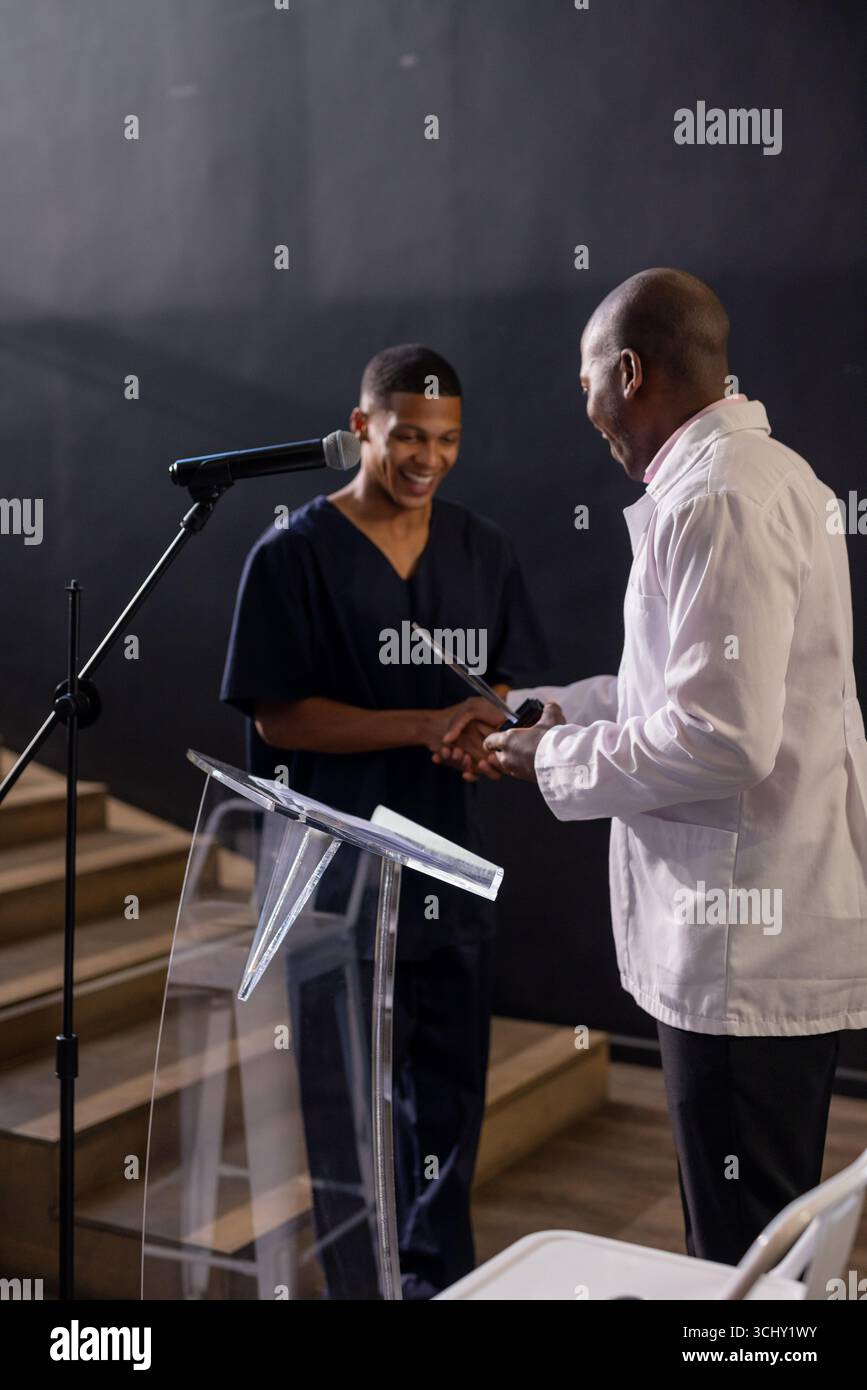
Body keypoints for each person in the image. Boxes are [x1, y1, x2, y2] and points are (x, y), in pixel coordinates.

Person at [442, 268, 867, 1265]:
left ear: (629, 372)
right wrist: (548, 713)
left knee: (734, 1256)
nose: (588, 410)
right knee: (757, 1242)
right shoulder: (771, 477)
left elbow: (724, 739)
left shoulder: (713, 498)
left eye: (589, 381)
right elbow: (691, 694)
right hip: (761, 928)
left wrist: (556, 757)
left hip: (740, 949)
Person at [221, 343, 548, 1297]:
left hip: (449, 864)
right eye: (408, 434)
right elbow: (279, 714)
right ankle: (360, 1287)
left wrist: (486, 724)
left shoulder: (484, 548)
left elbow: (504, 684)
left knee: (445, 1101)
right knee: (346, 1106)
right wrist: (423, 725)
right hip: (331, 875)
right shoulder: (289, 556)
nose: (427, 457)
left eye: (446, 439)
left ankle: (437, 1280)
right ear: (362, 426)